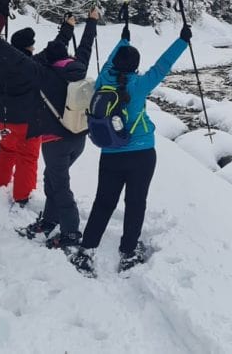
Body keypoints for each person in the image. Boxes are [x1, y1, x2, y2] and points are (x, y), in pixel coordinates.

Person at [71, 22, 192, 275]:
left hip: (110, 153)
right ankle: (128, 252)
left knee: (103, 202)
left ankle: (87, 250)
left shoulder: (103, 79)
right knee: (136, 202)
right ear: (135, 66)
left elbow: (110, 61)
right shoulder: (139, 85)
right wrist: (182, 40)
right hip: (141, 154)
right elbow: (162, 65)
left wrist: (123, 40)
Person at [0, 7, 99, 251]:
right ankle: (49, 220)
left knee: (59, 185)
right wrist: (90, 23)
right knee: (52, 179)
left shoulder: (42, 74)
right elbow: (86, 45)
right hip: (79, 136)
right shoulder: (78, 65)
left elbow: (17, 59)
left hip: (56, 140)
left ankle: (70, 232)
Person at [0, 0, 44, 206]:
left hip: (3, 118)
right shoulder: (29, 66)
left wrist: (0, 13)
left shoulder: (2, 60)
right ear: (27, 48)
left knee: (7, 148)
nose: (34, 48)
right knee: (27, 157)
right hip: (25, 122)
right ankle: (23, 194)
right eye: (31, 45)